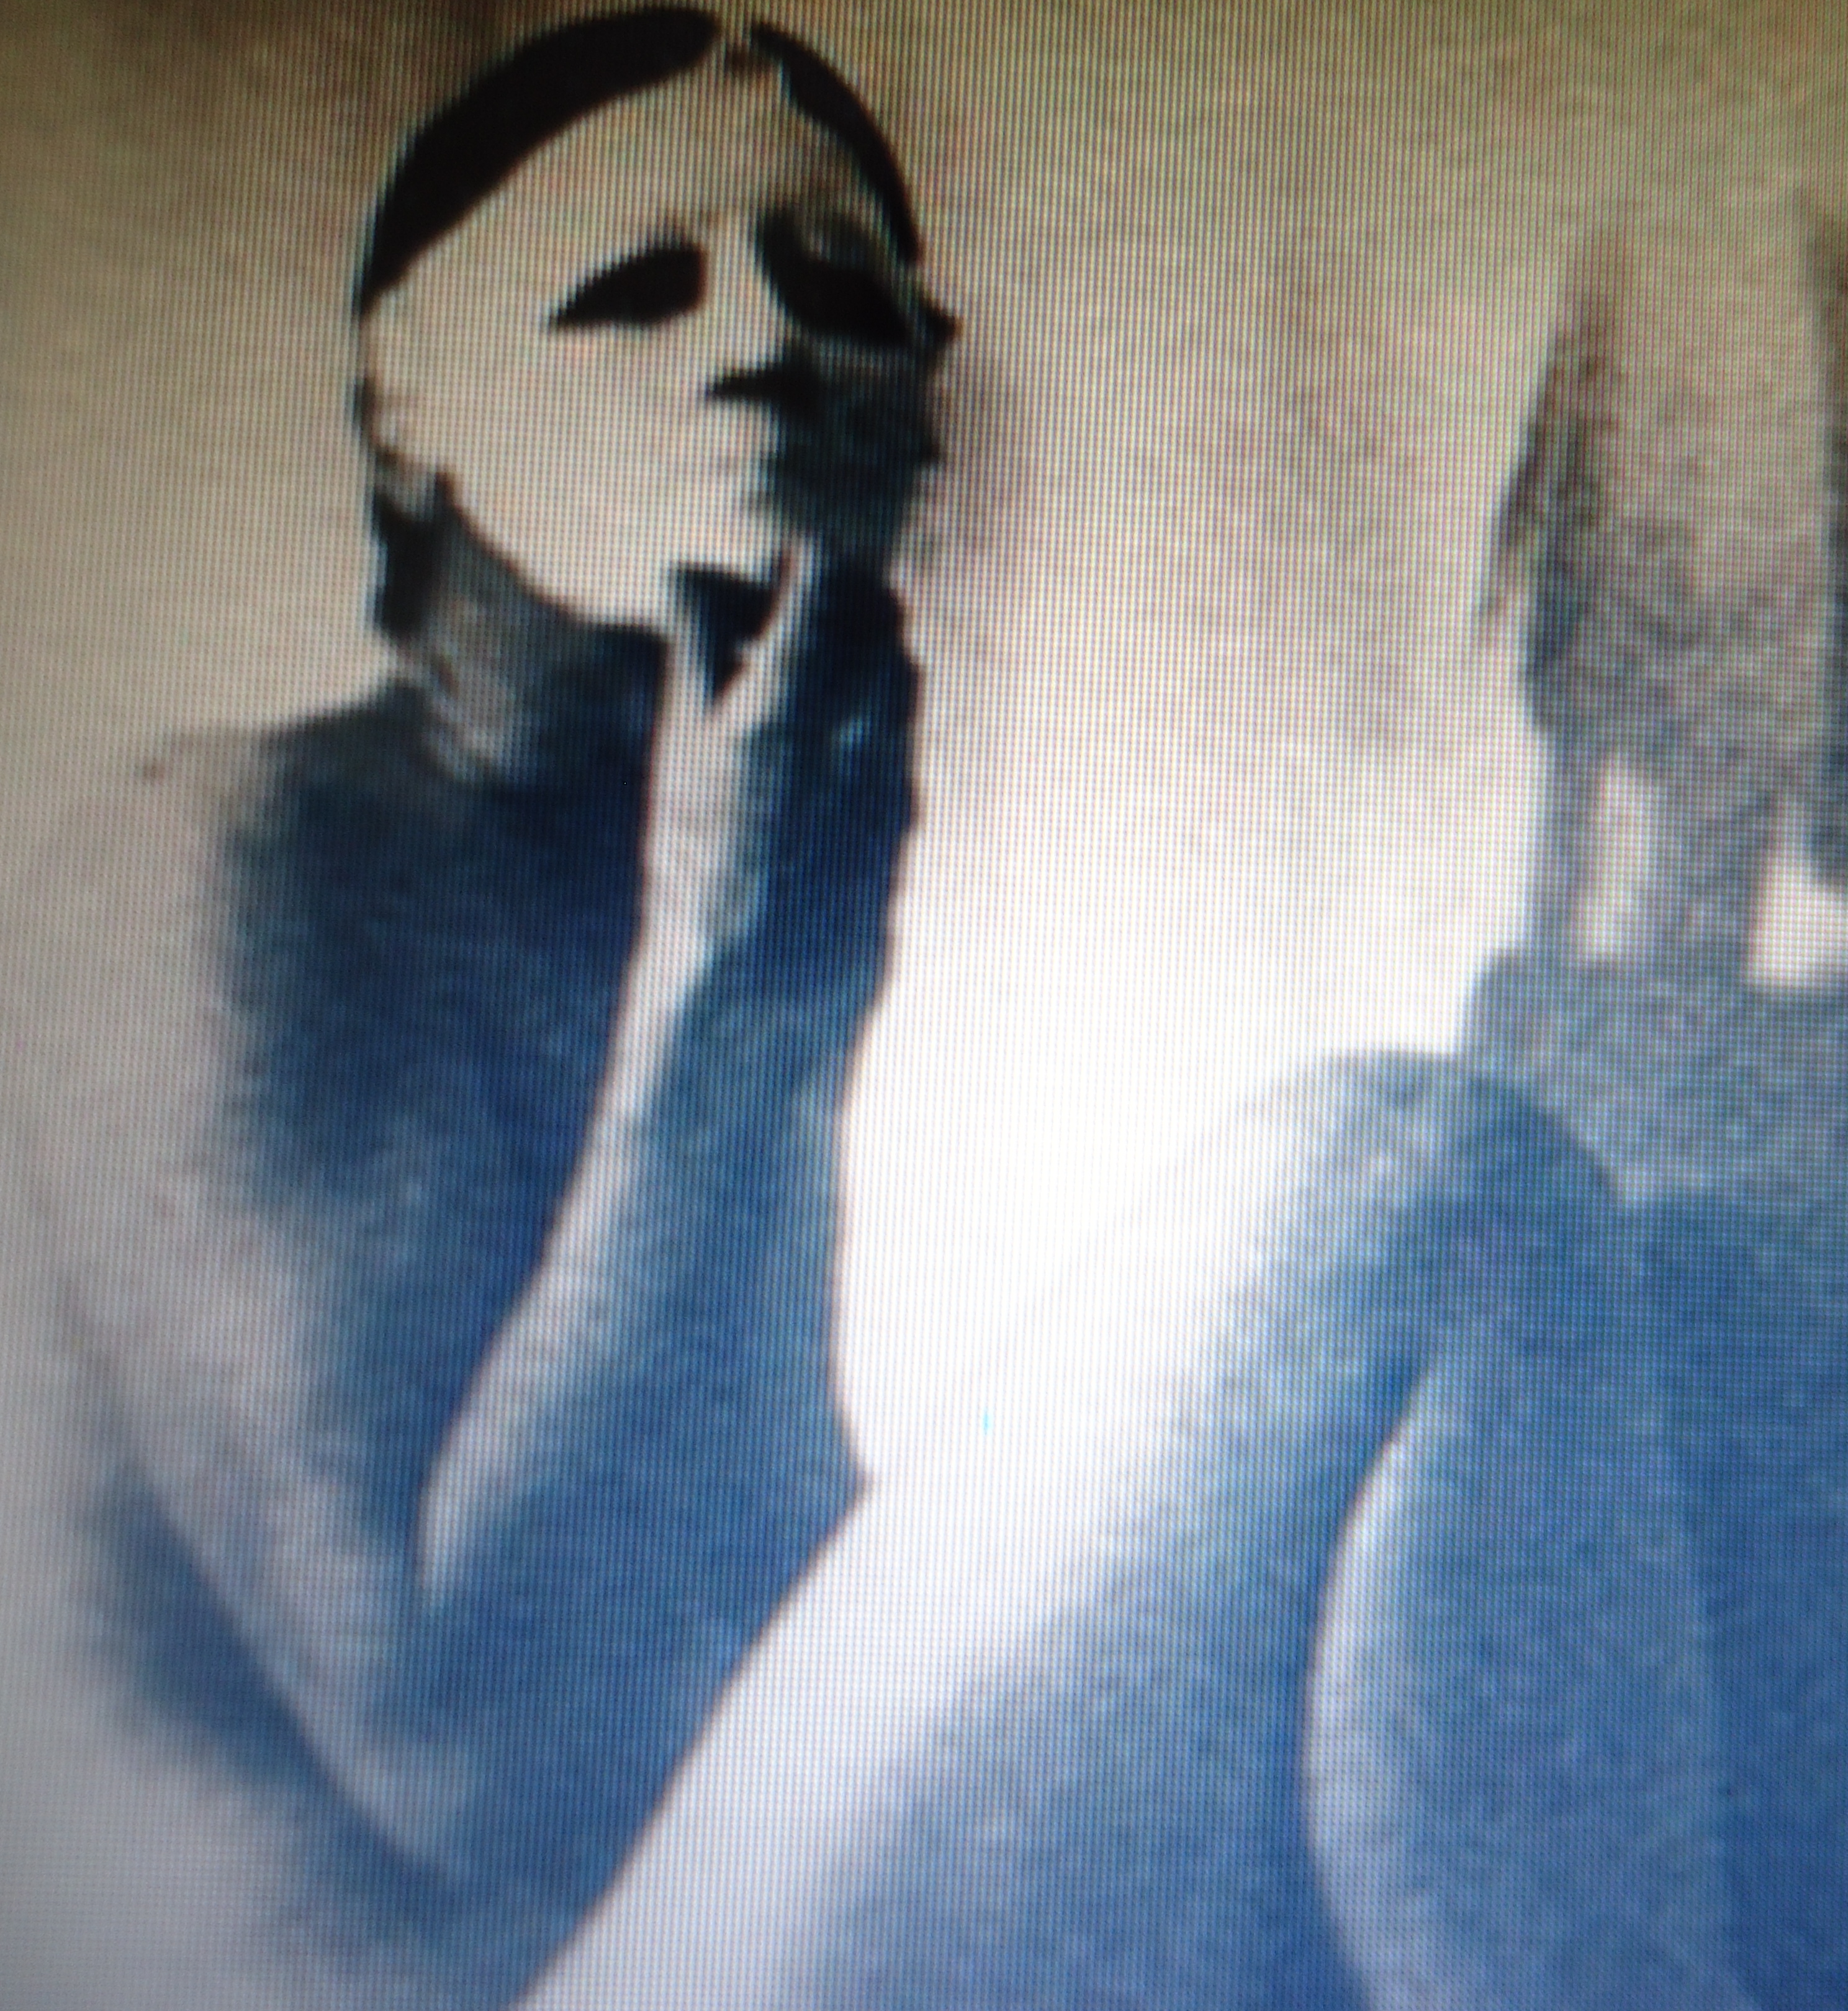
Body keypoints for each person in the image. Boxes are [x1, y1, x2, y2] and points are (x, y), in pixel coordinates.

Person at [0, 12, 1748, 2010]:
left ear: (919, 413)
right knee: (1407, 1180)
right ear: (407, 422)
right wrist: (735, 996)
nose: (762, 344)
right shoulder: (226, 852)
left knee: (1699, 1294)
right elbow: (482, 1773)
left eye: (841, 296)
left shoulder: (692, 874)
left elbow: (742, 1661)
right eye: (630, 293)